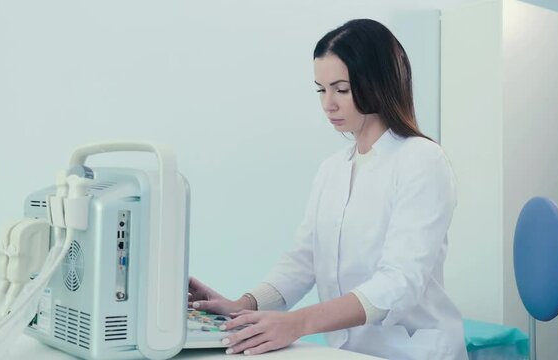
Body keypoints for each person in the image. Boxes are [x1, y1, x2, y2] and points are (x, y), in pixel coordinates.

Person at [188, 19, 467, 360]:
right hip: (349, 352)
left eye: (341, 89)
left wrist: (297, 323)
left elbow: (400, 282)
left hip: (409, 352)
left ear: (377, 83)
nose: (328, 104)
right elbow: (304, 262)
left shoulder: (422, 161)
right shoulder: (333, 169)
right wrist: (242, 305)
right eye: (321, 89)